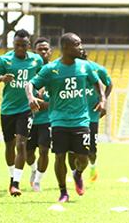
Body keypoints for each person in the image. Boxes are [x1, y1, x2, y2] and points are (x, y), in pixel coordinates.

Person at [26, 33, 104, 203]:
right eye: (77, 44)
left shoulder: (85, 66)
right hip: (58, 120)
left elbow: (97, 82)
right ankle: (63, 192)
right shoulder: (51, 69)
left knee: (83, 157)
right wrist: (31, 97)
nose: (81, 47)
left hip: (81, 120)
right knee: (59, 156)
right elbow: (30, 84)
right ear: (66, 47)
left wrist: (102, 100)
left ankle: (78, 173)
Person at [0, 30, 43, 196]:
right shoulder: (4, 60)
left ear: (29, 45)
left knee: (21, 144)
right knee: (9, 145)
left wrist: (39, 91)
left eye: (23, 45)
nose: (20, 48)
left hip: (25, 109)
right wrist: (2, 78)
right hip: (8, 110)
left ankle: (15, 183)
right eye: (17, 45)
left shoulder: (36, 60)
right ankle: (12, 176)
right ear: (13, 44)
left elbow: (43, 78)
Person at [80, 49, 112, 182]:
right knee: (75, 149)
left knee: (92, 150)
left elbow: (109, 84)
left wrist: (102, 101)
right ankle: (77, 175)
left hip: (92, 114)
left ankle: (93, 166)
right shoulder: (71, 70)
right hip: (76, 115)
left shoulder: (98, 69)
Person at [25, 37, 53, 191]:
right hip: (29, 118)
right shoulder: (28, 71)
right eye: (39, 49)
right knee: (27, 153)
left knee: (44, 150)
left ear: (50, 52)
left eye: (45, 49)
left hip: (47, 119)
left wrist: (44, 104)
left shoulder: (55, 71)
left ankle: (37, 181)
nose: (43, 52)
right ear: (34, 52)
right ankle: (34, 169)